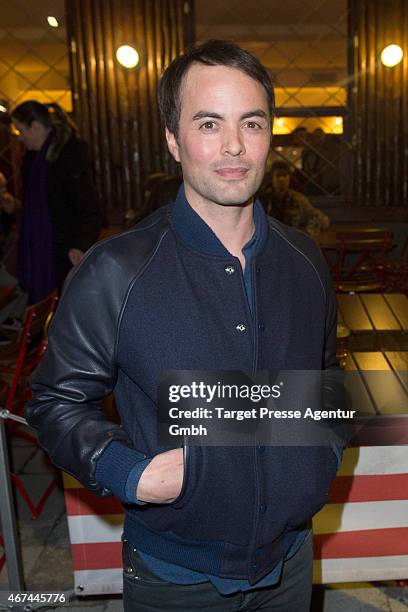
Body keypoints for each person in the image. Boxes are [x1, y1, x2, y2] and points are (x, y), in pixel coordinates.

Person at [25, 40, 343, 611]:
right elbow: (53, 400)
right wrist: (127, 471)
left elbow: (325, 378)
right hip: (176, 574)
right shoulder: (116, 271)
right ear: (173, 140)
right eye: (208, 123)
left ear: (271, 134)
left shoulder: (307, 263)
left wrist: (320, 453)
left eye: (251, 122)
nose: (233, 147)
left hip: (292, 560)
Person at [11, 101, 102, 303]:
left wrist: (79, 245)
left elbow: (89, 207)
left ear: (35, 127)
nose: (19, 137)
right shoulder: (32, 161)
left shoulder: (69, 156)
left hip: (65, 251)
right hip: (46, 250)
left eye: (20, 130)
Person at [264, 161, 330, 238]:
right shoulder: (263, 199)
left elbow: (323, 219)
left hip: (291, 241)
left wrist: (307, 232)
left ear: (289, 178)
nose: (282, 179)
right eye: (278, 176)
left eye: (285, 175)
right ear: (272, 178)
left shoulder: (298, 199)